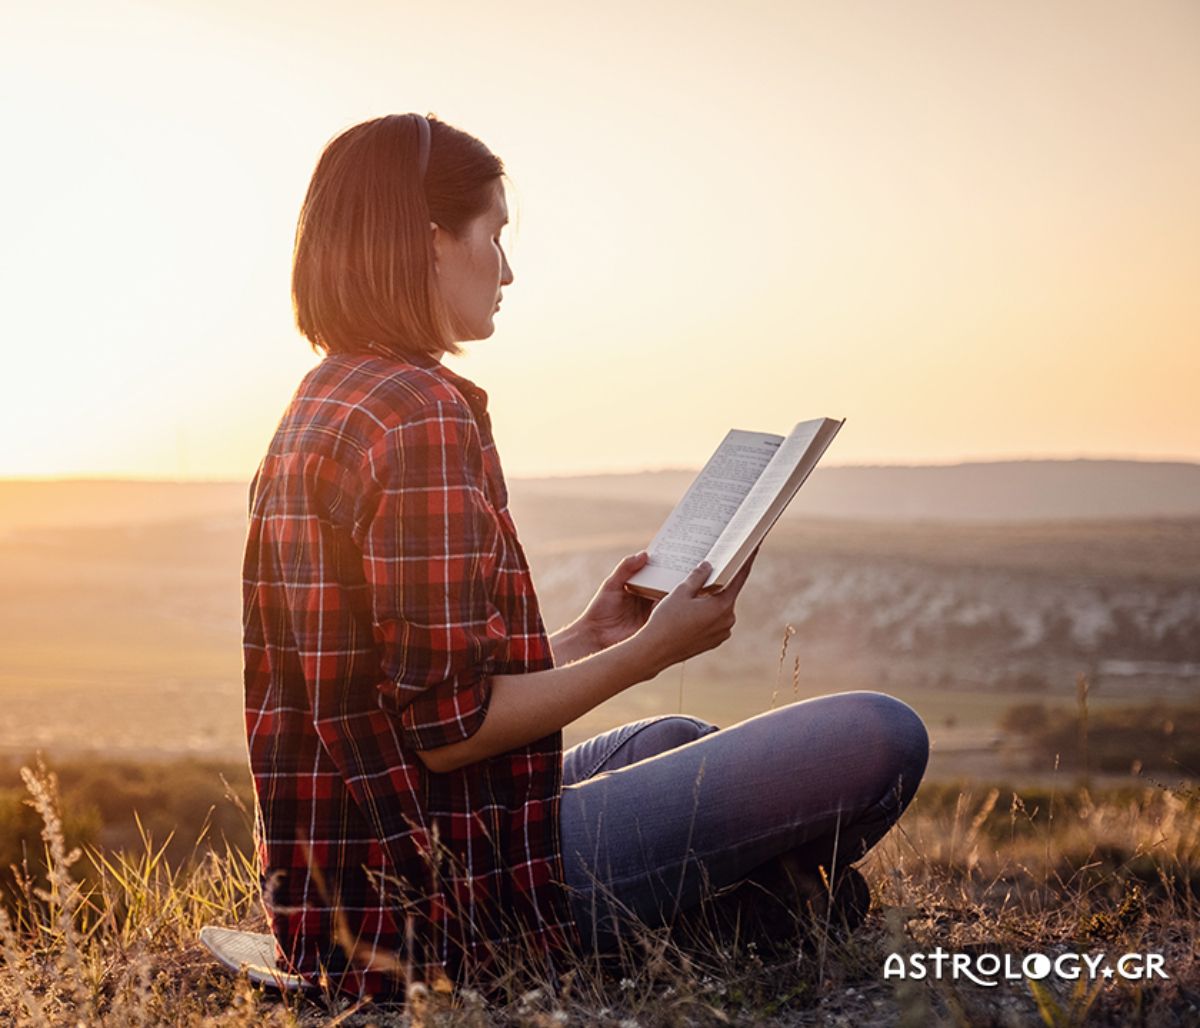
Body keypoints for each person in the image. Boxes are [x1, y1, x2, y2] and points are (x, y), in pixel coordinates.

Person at [242, 112, 930, 1001]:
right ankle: (741, 910)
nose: (509, 268)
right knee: (880, 733)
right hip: (431, 904)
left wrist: (597, 631)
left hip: (340, 888)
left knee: (674, 739)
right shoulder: (419, 414)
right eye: (493, 236)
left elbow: (412, 693)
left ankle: (744, 909)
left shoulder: (325, 399)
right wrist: (650, 652)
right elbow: (450, 737)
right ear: (428, 245)